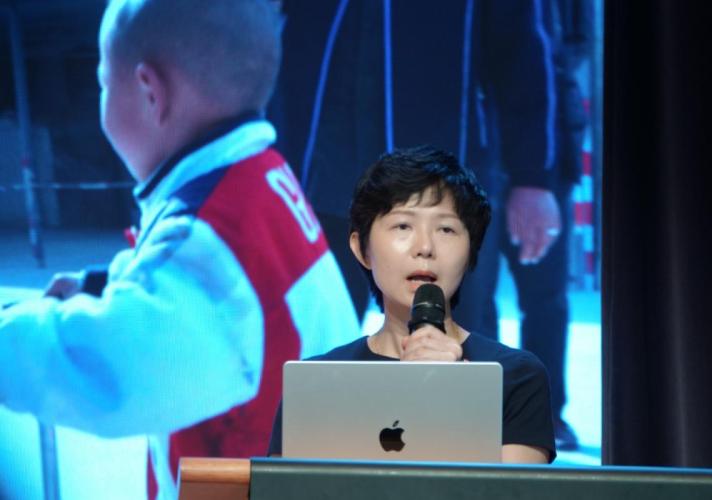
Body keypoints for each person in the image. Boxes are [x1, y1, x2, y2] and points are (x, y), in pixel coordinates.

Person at [0, 1, 358, 498]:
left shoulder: (211, 241)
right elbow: (219, 295)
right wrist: (102, 285)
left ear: (151, 92)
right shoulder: (255, 178)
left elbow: (106, 368)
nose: (100, 102)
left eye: (103, 84)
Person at [270, 0, 583, 450]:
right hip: (321, 181)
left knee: (460, 341)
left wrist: (534, 176)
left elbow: (523, 55)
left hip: (439, 185)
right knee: (311, 350)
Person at [268, 146, 556, 464]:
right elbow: (288, 486)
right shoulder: (315, 384)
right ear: (361, 249)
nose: (425, 247)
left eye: (446, 229)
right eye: (403, 226)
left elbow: (512, 489)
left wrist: (460, 392)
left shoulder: (515, 377)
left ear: (471, 252)